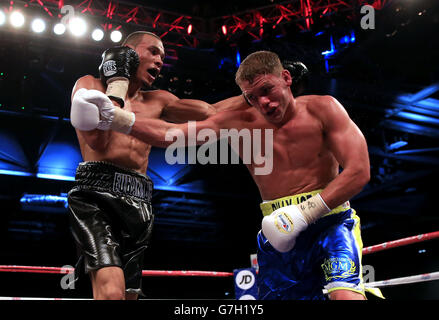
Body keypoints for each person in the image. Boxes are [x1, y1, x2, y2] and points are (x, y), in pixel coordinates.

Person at [70, 50, 376, 300]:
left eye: (267, 90)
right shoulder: (240, 121)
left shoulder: (324, 109)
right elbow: (171, 135)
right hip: (276, 225)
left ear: (286, 78)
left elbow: (359, 170)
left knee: (345, 296)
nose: (263, 103)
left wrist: (306, 213)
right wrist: (116, 117)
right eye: (252, 97)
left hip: (330, 222)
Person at [67, 31, 249, 300]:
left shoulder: (159, 100)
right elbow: (97, 142)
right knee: (111, 292)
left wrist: (259, 90)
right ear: (127, 51)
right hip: (96, 196)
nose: (160, 60)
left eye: (162, 56)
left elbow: (212, 111)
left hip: (140, 200)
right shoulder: (89, 84)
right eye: (153, 51)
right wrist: (117, 84)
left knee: (129, 295)